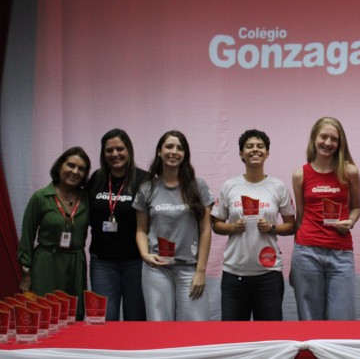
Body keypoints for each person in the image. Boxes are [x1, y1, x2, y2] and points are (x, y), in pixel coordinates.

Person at [212, 129, 296, 321]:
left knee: (270, 334)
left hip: (268, 273)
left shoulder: (279, 186)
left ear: (267, 153)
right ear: (241, 153)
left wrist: (272, 227)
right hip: (234, 272)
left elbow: (291, 226)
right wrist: (232, 227)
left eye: (260, 146)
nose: (255, 150)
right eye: (249, 146)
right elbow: (216, 224)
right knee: (232, 334)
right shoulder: (229, 186)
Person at [133, 130, 214, 321]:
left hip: (189, 268)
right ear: (159, 151)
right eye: (169, 146)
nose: (174, 152)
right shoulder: (147, 189)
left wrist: (201, 271)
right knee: (159, 327)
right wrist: (145, 255)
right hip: (156, 269)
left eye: (179, 148)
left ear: (185, 154)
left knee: (195, 327)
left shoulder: (198, 186)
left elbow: (205, 230)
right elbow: (141, 230)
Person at [290, 117, 360, 320]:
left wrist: (350, 221)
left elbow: (356, 208)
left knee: (342, 319)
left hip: (341, 253)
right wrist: (295, 261)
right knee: (310, 319)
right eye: (323, 137)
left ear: (340, 143)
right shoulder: (300, 174)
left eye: (334, 139)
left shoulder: (349, 171)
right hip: (306, 252)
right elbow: (300, 217)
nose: (328, 143)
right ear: (314, 139)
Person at [18, 146, 91, 320]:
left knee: (74, 317)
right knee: (45, 314)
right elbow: (27, 235)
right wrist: (26, 273)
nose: (75, 171)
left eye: (81, 169)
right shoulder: (41, 197)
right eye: (71, 165)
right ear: (59, 167)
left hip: (75, 265)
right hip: (47, 263)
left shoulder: (87, 199)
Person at [87, 129, 147, 321]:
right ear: (103, 153)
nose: (115, 154)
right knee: (104, 319)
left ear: (129, 150)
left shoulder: (144, 180)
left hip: (136, 262)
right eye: (109, 150)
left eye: (120, 149)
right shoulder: (97, 178)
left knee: (135, 319)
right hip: (102, 262)